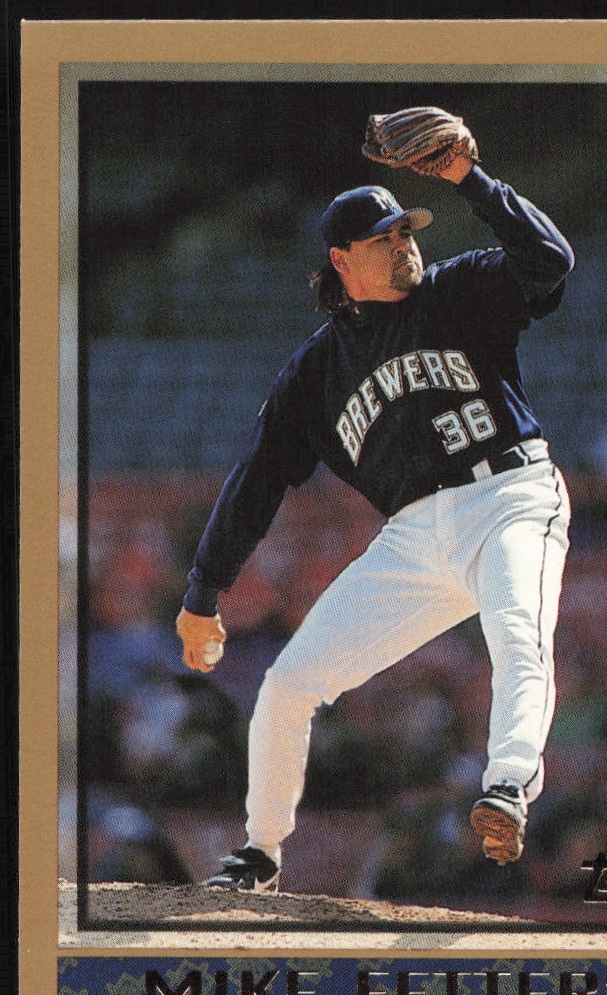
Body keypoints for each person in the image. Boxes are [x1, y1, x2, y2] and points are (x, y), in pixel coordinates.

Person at [176, 123, 574, 893]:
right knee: (288, 684)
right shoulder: (316, 373)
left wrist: (471, 181)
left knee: (519, 637)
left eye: (405, 231)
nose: (402, 245)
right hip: (412, 536)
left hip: (510, 497)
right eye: (383, 238)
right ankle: (259, 852)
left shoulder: (460, 289)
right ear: (341, 260)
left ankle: (506, 786)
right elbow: (257, 480)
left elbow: (550, 260)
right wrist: (202, 592)